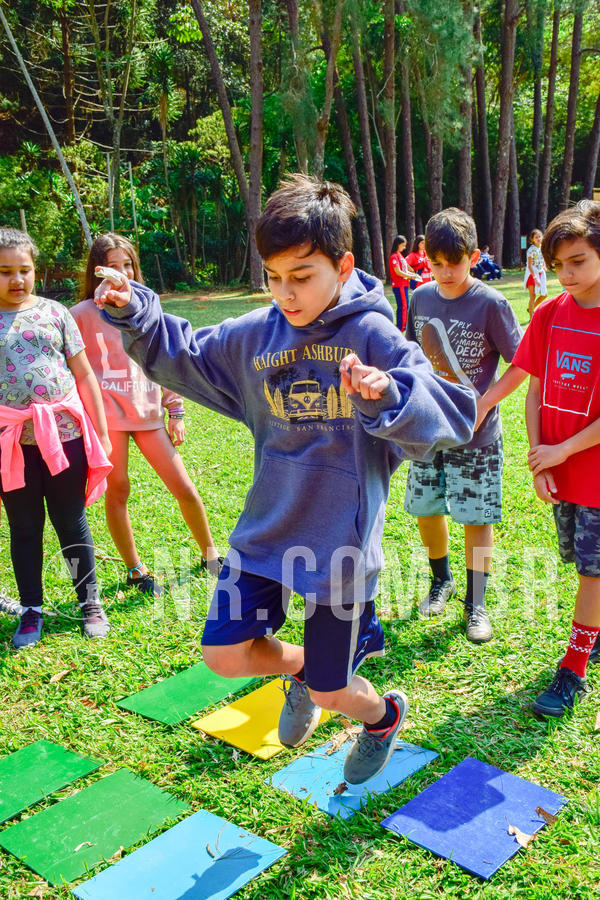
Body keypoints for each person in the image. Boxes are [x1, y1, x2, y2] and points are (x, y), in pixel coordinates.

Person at [95, 175, 476, 785]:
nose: (286, 294)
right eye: (274, 277)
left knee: (333, 694)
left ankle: (381, 714)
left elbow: (452, 412)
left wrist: (390, 395)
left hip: (339, 549)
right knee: (222, 654)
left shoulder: (371, 334)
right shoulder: (257, 333)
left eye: (302, 277)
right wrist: (135, 311)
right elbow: (188, 354)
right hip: (267, 532)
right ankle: (304, 670)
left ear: (343, 264)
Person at [71, 234, 219, 596]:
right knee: (118, 489)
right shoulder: (79, 316)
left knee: (183, 485)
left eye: (128, 265)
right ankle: (135, 569)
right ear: (96, 271)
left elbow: (163, 359)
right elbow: (74, 371)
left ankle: (211, 553)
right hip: (108, 419)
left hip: (148, 412)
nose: (122, 273)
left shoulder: (147, 306)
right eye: (112, 266)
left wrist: (176, 409)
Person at [404, 207, 522, 643]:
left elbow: (521, 364)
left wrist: (485, 405)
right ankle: (441, 581)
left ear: (473, 256)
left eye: (454, 263)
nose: (445, 272)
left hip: (476, 436)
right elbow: (411, 357)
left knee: (476, 516)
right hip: (428, 432)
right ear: (426, 258)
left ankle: (476, 605)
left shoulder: (491, 303)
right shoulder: (420, 298)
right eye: (436, 263)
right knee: (426, 509)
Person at [0, 228, 112, 649]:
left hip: (65, 438)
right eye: (5, 271)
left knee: (71, 520)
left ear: (35, 270)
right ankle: (31, 610)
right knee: (24, 526)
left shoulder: (55, 312)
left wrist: (98, 431)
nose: (16, 280)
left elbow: (83, 373)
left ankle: (90, 603)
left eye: (24, 270)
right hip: (11, 445)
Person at [511, 200, 600, 717]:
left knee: (592, 572)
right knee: (585, 564)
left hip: (590, 469)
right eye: (559, 263)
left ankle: (573, 670)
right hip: (559, 467)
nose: (566, 274)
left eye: (579, 261)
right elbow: (535, 391)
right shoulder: (547, 314)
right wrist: (543, 461)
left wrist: (561, 451)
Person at [389, 235, 418, 331]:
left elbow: (404, 270)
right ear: (398, 245)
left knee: (406, 305)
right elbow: (398, 272)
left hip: (404, 284)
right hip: (399, 285)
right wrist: (411, 276)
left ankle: (403, 326)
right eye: (403, 245)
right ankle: (401, 327)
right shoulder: (394, 257)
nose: (404, 248)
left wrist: (414, 275)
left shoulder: (400, 255)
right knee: (403, 306)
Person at [524, 228, 547, 320]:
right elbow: (529, 265)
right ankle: (531, 318)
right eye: (536, 237)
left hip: (540, 272)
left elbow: (543, 258)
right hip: (532, 274)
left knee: (544, 294)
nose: (538, 239)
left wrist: (544, 265)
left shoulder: (542, 247)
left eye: (540, 237)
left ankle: (530, 308)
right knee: (532, 295)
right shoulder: (531, 250)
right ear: (532, 239)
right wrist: (535, 278)